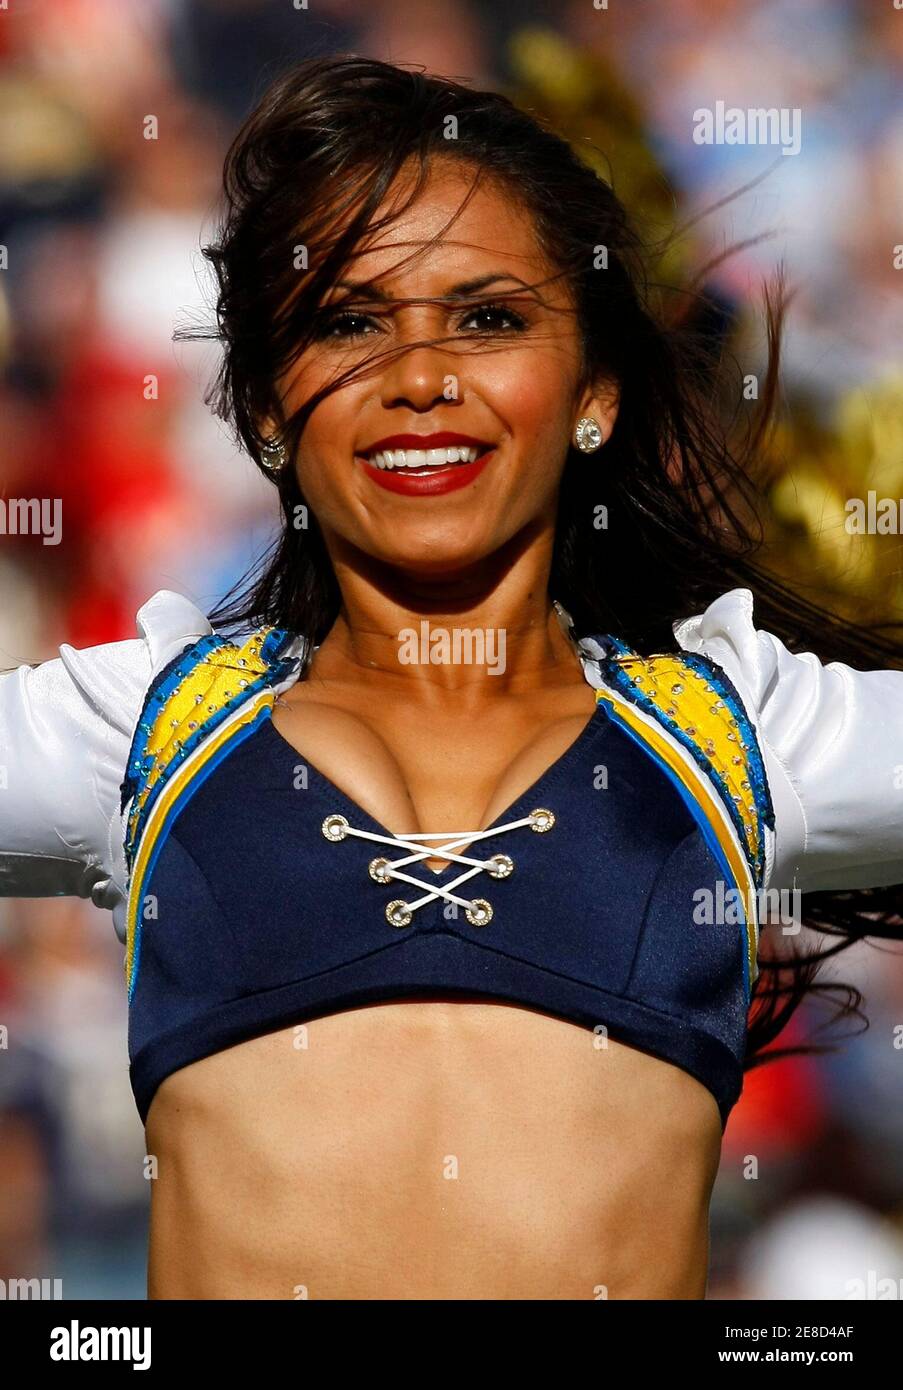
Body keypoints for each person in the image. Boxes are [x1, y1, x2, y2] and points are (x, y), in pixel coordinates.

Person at [1, 56, 901, 1301]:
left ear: (594, 393)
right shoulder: (140, 735)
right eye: (349, 321)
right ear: (265, 407)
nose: (420, 379)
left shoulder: (737, 741)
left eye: (487, 317)